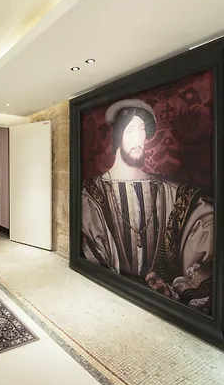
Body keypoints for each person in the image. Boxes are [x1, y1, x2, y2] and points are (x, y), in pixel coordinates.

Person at [81, 99, 213, 313]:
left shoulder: (176, 194)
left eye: (142, 130)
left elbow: (207, 240)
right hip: (109, 304)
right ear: (118, 135)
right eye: (130, 130)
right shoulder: (89, 196)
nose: (138, 139)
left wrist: (172, 289)